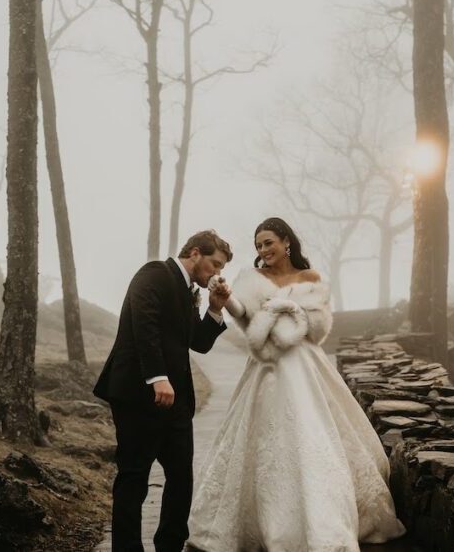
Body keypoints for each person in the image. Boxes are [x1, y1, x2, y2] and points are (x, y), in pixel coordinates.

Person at [187, 217, 406, 551]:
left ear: (286, 241)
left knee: (313, 432)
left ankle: (324, 520)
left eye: (269, 242)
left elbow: (318, 327)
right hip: (266, 368)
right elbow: (243, 313)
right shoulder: (253, 277)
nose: (264, 250)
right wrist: (225, 297)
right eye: (259, 245)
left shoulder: (310, 278)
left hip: (305, 363)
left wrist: (291, 314)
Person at [93, 230, 233, 552]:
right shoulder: (154, 273)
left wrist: (215, 309)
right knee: (134, 476)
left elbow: (197, 342)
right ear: (195, 253)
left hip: (177, 401)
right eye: (215, 264)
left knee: (181, 477)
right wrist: (157, 377)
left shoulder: (189, 290)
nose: (217, 273)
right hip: (137, 395)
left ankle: (170, 545)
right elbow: (145, 326)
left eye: (221, 268)